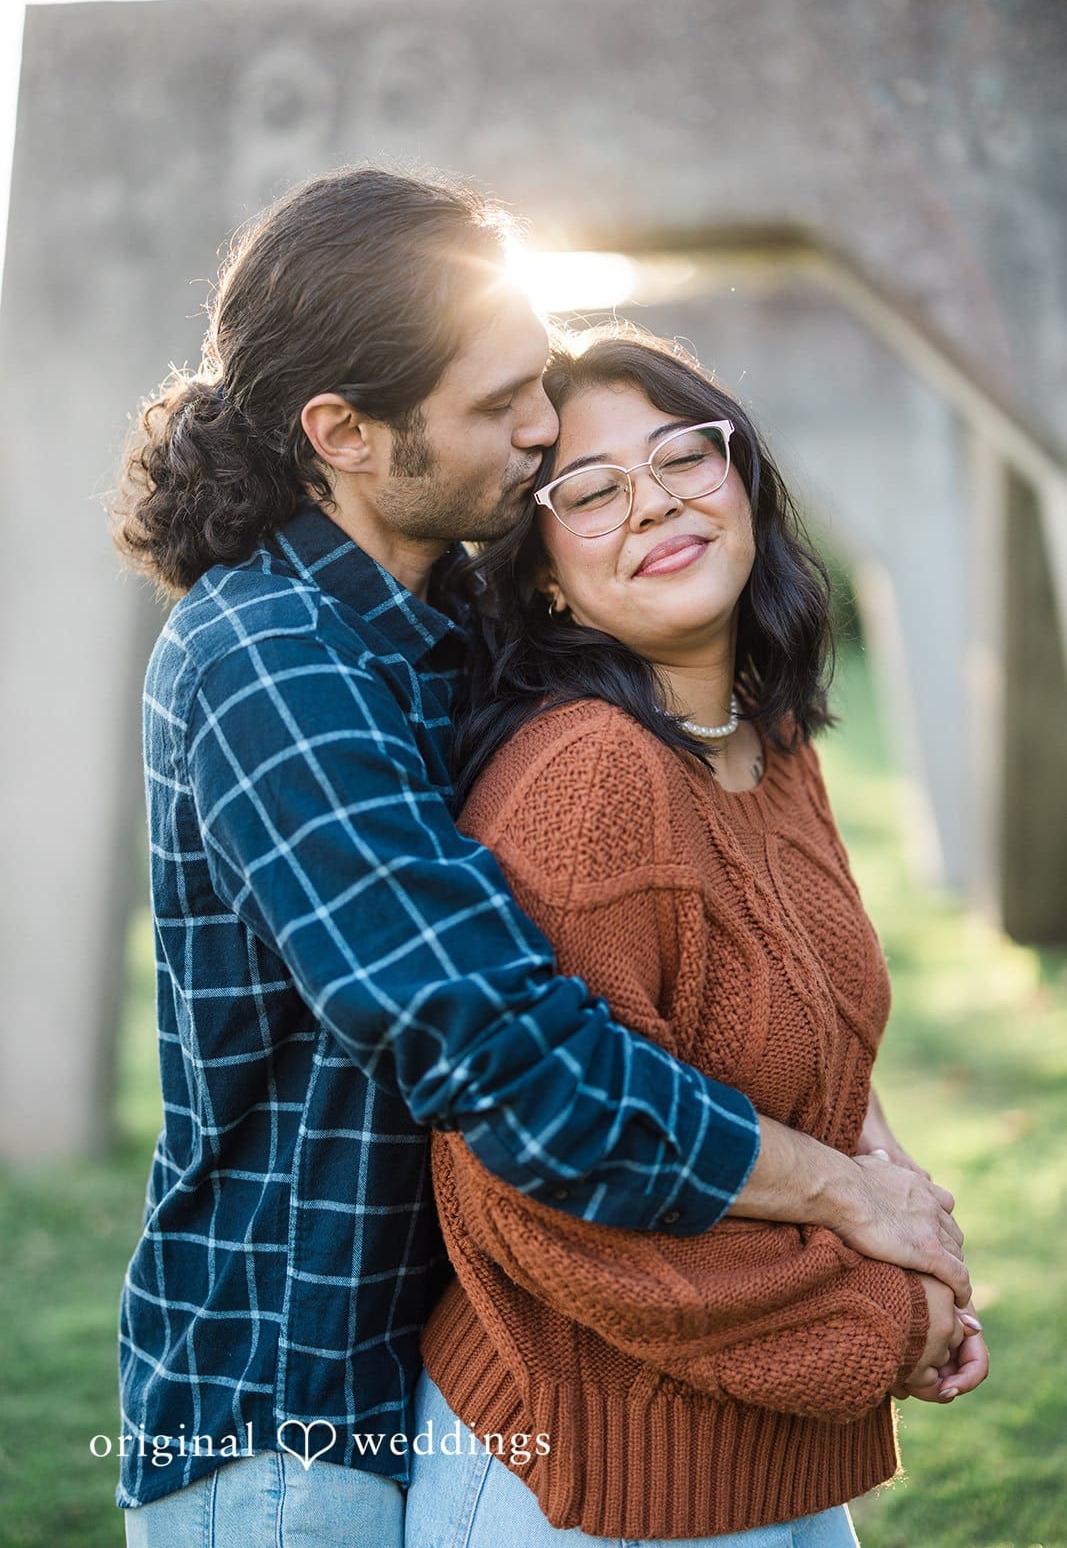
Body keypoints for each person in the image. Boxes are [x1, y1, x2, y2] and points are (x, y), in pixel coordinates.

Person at [109, 168, 971, 1548]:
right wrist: (852, 1204)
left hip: (481, 1346)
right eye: (497, 404)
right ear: (341, 430)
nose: (539, 425)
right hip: (295, 1401)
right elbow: (505, 1055)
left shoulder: (451, 608)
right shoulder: (266, 659)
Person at [406, 326, 988, 1547]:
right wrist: (878, 1314)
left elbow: (821, 1038)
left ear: (745, 483)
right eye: (592, 489)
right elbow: (543, 1185)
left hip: (764, 1459)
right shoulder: (586, 780)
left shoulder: (761, 739)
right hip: (588, 1477)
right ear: (546, 575)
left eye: (683, 456)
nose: (655, 501)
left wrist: (905, 1213)